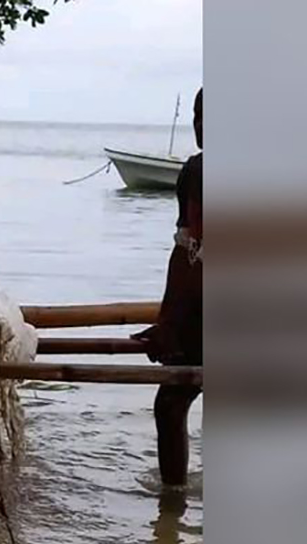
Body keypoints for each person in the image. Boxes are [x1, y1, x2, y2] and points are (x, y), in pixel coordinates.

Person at [133, 88, 202, 488]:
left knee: (172, 403)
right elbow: (188, 251)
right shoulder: (195, 173)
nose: (200, 126)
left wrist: (171, 324)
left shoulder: (198, 172)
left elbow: (194, 257)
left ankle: (172, 507)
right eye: (199, 116)